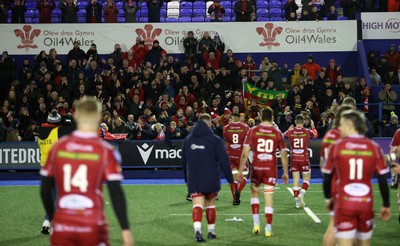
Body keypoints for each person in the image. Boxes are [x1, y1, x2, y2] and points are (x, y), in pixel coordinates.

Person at [40, 97, 133, 245]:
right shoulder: (106, 151)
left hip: (63, 226)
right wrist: (125, 228)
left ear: (76, 116)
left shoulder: (58, 148)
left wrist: (52, 219)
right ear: (99, 117)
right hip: (92, 224)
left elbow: (45, 190)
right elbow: (116, 192)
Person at [322, 109, 391, 246]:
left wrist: (328, 198)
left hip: (344, 202)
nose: (339, 128)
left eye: (341, 125)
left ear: (350, 126)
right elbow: (382, 180)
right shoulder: (374, 147)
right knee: (364, 244)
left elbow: (327, 176)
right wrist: (386, 204)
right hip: (365, 203)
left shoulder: (337, 146)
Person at [182, 113, 234, 242]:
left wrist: (187, 181)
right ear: (209, 124)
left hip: (195, 179)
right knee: (210, 205)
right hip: (211, 178)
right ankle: (211, 232)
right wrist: (230, 180)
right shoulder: (216, 140)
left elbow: (183, 163)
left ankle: (198, 231)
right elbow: (224, 162)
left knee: (197, 205)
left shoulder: (189, 140)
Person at [238, 107, 289, 237]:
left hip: (256, 167)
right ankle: (268, 227)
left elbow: (245, 154)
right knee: (268, 197)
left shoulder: (253, 131)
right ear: (272, 118)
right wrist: (285, 172)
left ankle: (256, 224)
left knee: (255, 194)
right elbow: (283, 154)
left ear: (260, 117)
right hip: (270, 168)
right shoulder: (277, 133)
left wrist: (240, 171)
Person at [37, 110, 75, 234]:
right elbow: (74, 127)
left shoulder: (40, 132)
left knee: (50, 197)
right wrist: (67, 118)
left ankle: (46, 222)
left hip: (45, 168)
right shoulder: (58, 132)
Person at [319, 105, 351, 246]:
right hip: (346, 185)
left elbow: (322, 165)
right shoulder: (347, 137)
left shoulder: (328, 136)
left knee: (333, 224)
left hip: (331, 183)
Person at [283, 114, 317, 208]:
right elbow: (315, 135)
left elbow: (283, 135)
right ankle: (301, 194)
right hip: (304, 158)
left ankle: (297, 202)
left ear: (295, 122)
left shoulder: (290, 132)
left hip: (294, 158)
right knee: (306, 179)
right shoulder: (307, 131)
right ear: (303, 122)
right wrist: (313, 127)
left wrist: (289, 129)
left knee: (295, 180)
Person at [223, 113, 250, 205]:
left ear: (232, 118)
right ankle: (238, 190)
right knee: (244, 175)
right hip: (241, 154)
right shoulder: (245, 127)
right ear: (239, 118)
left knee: (233, 178)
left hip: (230, 154)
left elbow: (225, 140)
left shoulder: (226, 128)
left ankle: (235, 199)